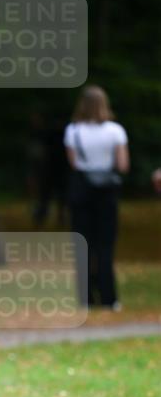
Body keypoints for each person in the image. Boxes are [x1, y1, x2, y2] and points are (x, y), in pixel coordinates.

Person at [64, 85, 129, 310]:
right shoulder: (115, 131)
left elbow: (74, 163)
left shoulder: (73, 130)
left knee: (83, 244)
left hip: (82, 190)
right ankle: (109, 297)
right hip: (107, 192)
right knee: (105, 244)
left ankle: (86, 298)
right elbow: (122, 164)